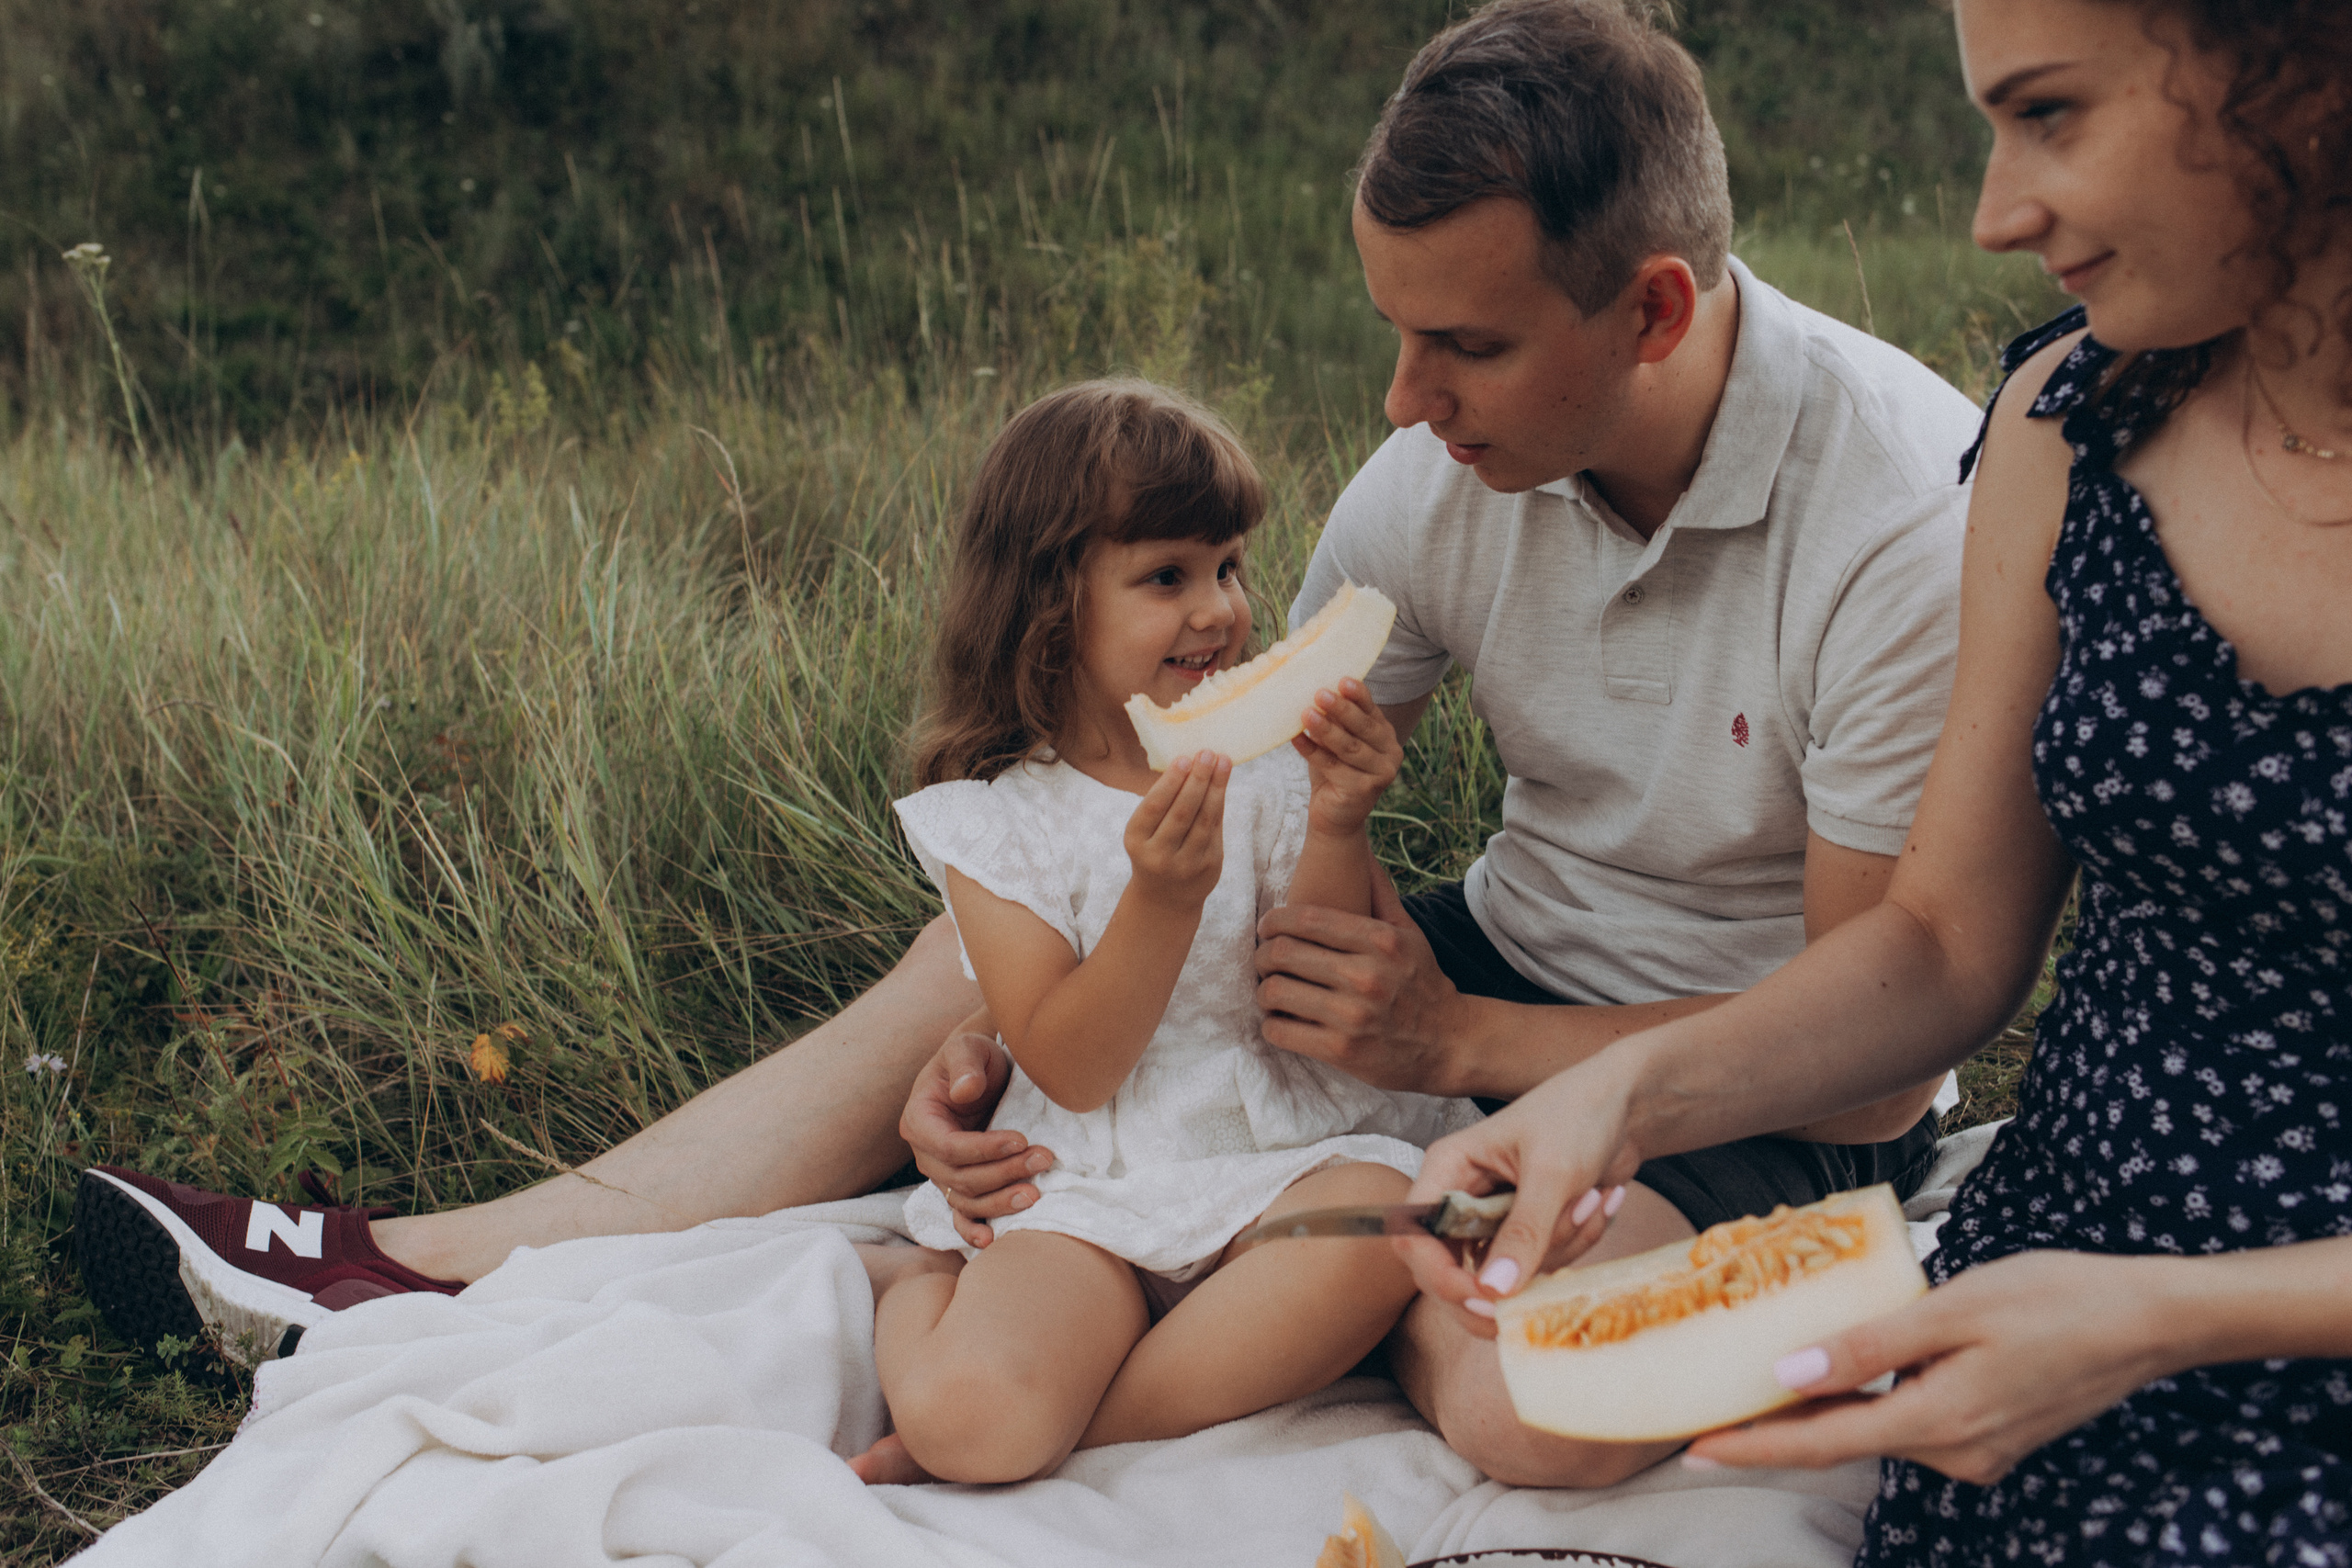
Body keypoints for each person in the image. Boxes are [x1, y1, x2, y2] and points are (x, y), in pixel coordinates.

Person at [79, 0, 1970, 1490]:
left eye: (1457, 346)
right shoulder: (1444, 473)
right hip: (1462, 990)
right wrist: (1006, 1048)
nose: (1399, 404)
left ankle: (1628, 1295)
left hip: (1729, 1083)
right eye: (1389, 337)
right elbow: (1187, 803)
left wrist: (1461, 1049)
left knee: (1526, 1418)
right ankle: (420, 1258)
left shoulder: (1892, 523)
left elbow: (1869, 1053)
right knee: (1015, 891)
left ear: (1649, 311)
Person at [1392, 0, 2352, 1558]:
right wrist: (1615, 1099)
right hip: (2061, 1277)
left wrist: (2164, 1316)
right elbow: (1941, 944)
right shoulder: (2071, 424)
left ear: (2302, 72)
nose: (1993, 216)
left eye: (2049, 115)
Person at [845, 378, 1475, 1486]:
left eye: (1227, 566)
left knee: (1396, 1220)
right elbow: (1072, 1066)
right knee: (973, 1422)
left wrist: (1337, 817)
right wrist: (1163, 899)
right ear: (1050, 606)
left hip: (1289, 1158)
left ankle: (1096, 1423)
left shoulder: (1272, 770)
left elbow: (1316, 998)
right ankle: (915, 1291)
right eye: (1166, 577)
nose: (1220, 609)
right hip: (1093, 1184)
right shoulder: (1001, 822)